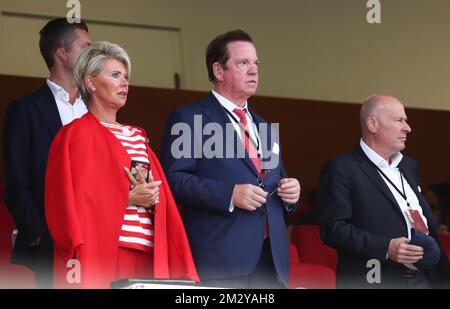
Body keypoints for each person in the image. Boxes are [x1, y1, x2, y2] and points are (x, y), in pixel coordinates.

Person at [44, 41, 198, 288]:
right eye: (115, 75)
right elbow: (63, 204)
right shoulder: (74, 135)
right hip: (107, 252)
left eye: (126, 76)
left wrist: (151, 197)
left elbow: (161, 198)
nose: (124, 82)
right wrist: (125, 198)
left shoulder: (138, 135)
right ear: (91, 82)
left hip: (149, 251)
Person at [160, 30, 301, 288]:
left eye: (256, 63)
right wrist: (230, 194)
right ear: (218, 70)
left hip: (271, 262)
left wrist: (290, 193)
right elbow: (174, 180)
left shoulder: (264, 126)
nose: (253, 70)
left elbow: (274, 182)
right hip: (221, 259)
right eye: (243, 63)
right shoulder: (190, 119)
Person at [318, 94, 450, 288]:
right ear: (372, 124)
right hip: (376, 279)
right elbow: (333, 230)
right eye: (399, 120)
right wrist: (386, 248)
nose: (408, 127)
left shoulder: (409, 165)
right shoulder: (341, 168)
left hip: (424, 278)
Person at [2, 18, 91, 288]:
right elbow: (16, 181)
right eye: (85, 46)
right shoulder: (24, 109)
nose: (93, 54)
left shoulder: (98, 105)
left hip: (99, 237)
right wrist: (39, 234)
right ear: (61, 54)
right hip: (49, 243)